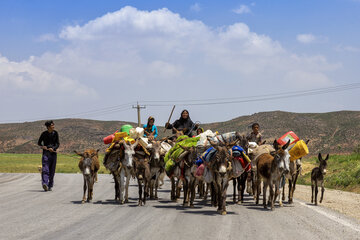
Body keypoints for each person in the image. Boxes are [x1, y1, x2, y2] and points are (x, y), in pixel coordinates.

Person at [38, 120, 60, 191]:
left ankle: (50, 185)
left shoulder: (55, 133)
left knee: (52, 170)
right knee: (45, 169)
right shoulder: (44, 134)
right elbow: (39, 143)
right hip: (46, 154)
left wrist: (53, 148)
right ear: (48, 127)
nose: (53, 126)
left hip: (53, 154)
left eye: (53, 125)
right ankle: (45, 184)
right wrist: (43, 146)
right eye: (52, 125)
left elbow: (57, 143)